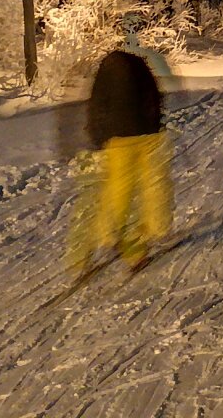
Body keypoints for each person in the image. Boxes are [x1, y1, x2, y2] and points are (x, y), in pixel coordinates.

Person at [67, 29, 173, 276]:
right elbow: (156, 100)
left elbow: (96, 108)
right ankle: (152, 231)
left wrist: (98, 138)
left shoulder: (104, 73)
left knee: (119, 190)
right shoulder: (141, 68)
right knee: (152, 185)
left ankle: (111, 235)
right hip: (148, 136)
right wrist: (156, 125)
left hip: (119, 142)